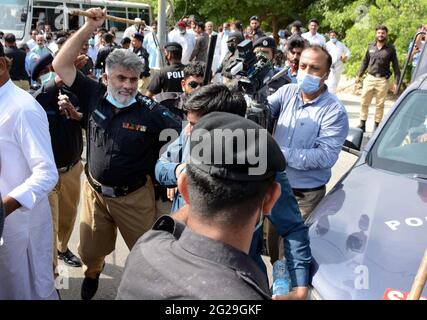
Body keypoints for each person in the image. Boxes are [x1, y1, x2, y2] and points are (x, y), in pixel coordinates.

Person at [52, 7, 182, 300]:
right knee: (90, 250)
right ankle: (93, 273)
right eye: (121, 78)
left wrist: (175, 172)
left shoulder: (152, 113)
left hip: (134, 198)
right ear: (107, 77)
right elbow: (61, 64)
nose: (128, 86)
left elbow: (182, 136)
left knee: (147, 256)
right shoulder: (92, 93)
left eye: (134, 80)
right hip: (94, 194)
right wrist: (89, 27)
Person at [117, 112, 285, 300]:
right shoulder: (247, 294)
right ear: (271, 199)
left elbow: (168, 224)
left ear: (183, 188)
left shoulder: (147, 246)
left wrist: (199, 193)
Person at [0, 42, 59, 299]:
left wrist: (4, 208)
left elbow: (46, 173)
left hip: (19, 228)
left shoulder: (23, 108)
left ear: (1, 65)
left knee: (27, 290)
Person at [267, 45, 349, 220]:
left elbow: (325, 156)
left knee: (292, 246)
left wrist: (279, 154)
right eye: (303, 66)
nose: (307, 72)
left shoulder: (334, 111)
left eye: (315, 68)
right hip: (274, 186)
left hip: (303, 197)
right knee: (269, 244)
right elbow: (264, 110)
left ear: (326, 75)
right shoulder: (287, 91)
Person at [32, 53, 84, 271]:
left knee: (68, 215)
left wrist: (73, 111)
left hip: (72, 168)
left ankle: (63, 249)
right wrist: (55, 83)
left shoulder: (72, 95)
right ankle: (50, 272)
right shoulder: (35, 99)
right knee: (49, 224)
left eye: (52, 70)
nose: (51, 76)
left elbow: (87, 117)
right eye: (45, 73)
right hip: (48, 174)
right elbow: (37, 98)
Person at [356, 25, 400, 132]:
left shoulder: (390, 49)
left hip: (383, 81)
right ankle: (362, 124)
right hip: (370, 78)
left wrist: (397, 82)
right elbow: (365, 62)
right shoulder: (370, 46)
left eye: (383, 33)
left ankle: (376, 126)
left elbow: (395, 66)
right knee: (364, 102)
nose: (381, 35)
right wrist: (359, 75)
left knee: (379, 105)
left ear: (386, 35)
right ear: (376, 34)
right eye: (379, 33)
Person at [325, 30, 350, 94]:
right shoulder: (327, 45)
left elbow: (348, 52)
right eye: (331, 35)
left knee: (335, 82)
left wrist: (345, 57)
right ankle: (330, 97)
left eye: (334, 35)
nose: (332, 37)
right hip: (330, 66)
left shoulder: (341, 44)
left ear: (336, 36)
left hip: (339, 66)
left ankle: (331, 95)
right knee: (331, 83)